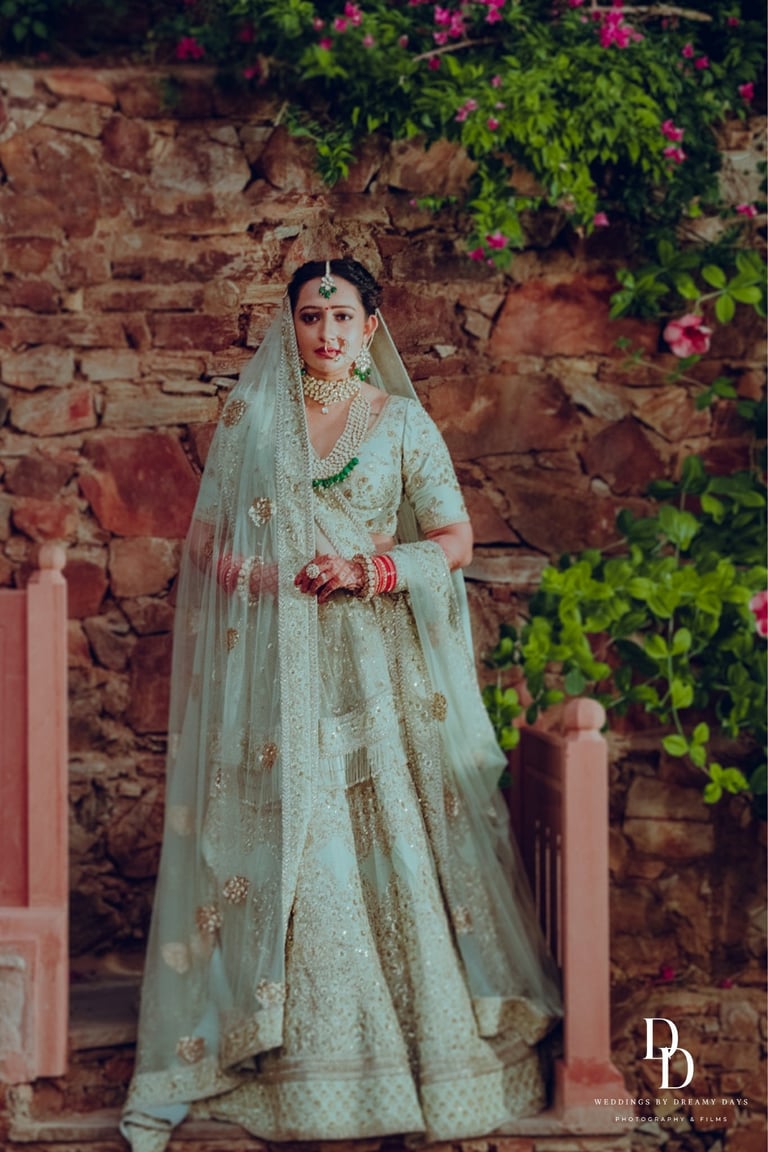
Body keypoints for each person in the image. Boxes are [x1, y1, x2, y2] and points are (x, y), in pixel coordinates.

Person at [121, 258, 561, 1152]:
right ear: (290, 326)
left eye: (342, 316)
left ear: (371, 327)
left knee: (387, 838)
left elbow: (455, 539)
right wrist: (258, 576)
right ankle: (301, 1063)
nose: (326, 332)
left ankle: (416, 1054)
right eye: (311, 317)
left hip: (377, 670)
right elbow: (205, 542)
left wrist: (372, 569)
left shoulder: (400, 424)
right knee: (301, 839)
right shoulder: (255, 422)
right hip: (278, 673)